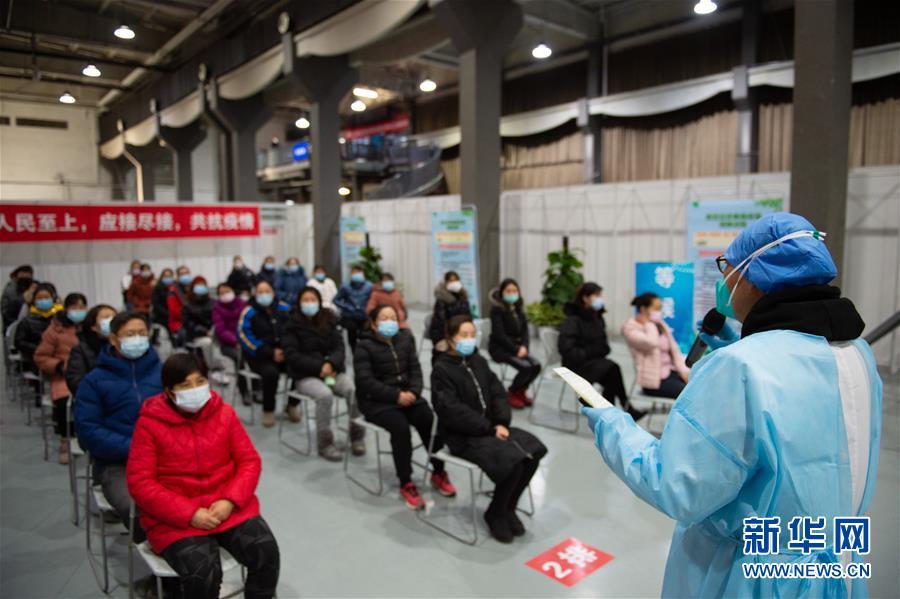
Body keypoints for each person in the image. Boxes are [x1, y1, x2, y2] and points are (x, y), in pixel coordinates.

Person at [581, 213, 882, 598]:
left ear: (752, 278)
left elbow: (677, 486)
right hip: (835, 566)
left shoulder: (739, 368)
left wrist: (611, 424)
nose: (723, 281)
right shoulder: (857, 353)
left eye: (727, 268)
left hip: (753, 579)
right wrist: (740, 347)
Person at [126, 353, 280, 599]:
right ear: (169, 392)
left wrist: (229, 500)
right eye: (185, 385)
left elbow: (249, 461)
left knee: (266, 553)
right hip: (175, 519)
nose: (195, 389)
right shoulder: (149, 425)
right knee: (203, 573)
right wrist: (189, 513)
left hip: (227, 508)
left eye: (200, 382)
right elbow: (140, 482)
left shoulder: (224, 414)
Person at [431, 315, 547, 543]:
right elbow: (452, 411)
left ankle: (507, 508)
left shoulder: (478, 361)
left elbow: (498, 393)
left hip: (492, 429)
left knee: (533, 452)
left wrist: (501, 421)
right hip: (463, 437)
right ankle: (495, 513)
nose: (469, 339)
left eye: (472, 334)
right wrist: (489, 428)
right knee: (513, 462)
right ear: (451, 339)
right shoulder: (441, 370)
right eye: (463, 335)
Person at [354, 305, 456, 507]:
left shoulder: (406, 339)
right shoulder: (363, 346)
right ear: (373, 324)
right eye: (384, 318)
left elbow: (416, 370)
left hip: (408, 396)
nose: (389, 322)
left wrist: (413, 392)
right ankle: (406, 481)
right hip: (376, 402)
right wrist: (396, 395)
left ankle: (438, 472)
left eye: (393, 318)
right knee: (400, 428)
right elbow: (366, 382)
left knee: (428, 419)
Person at [75, 312, 163, 542]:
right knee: (136, 509)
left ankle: (186, 557)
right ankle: (161, 557)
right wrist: (135, 447)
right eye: (130, 334)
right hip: (117, 463)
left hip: (165, 457)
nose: (137, 339)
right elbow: (88, 431)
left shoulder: (163, 373)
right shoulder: (94, 381)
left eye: (142, 333)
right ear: (113, 339)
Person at [282, 287, 365, 461]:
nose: (309, 303)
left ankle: (357, 436)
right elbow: (292, 356)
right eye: (305, 300)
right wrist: (319, 367)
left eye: (313, 300)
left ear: (319, 302)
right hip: (305, 375)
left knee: (352, 390)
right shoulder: (291, 325)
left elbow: (339, 347)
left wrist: (331, 364)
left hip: (332, 371)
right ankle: (325, 443)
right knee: (324, 395)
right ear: (299, 303)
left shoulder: (329, 320)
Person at [559, 282, 644, 420]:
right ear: (585, 298)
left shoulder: (597, 317)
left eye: (600, 295)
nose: (600, 299)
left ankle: (608, 411)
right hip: (576, 365)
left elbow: (603, 345)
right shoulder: (573, 320)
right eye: (596, 295)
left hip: (593, 361)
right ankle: (618, 409)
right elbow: (567, 349)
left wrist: (600, 350)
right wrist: (592, 351)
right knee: (612, 368)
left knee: (612, 373)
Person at [34, 292, 87, 464]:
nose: (78, 310)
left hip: (88, 374)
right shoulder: (55, 330)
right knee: (65, 401)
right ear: (66, 308)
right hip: (62, 375)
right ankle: (65, 439)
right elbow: (41, 356)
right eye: (74, 307)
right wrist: (58, 366)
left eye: (82, 307)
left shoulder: (89, 327)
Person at [238, 281, 291, 428]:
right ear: (255, 294)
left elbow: (292, 330)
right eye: (260, 292)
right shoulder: (249, 312)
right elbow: (244, 336)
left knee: (300, 366)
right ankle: (269, 409)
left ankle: (292, 404)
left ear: (273, 292)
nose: (264, 294)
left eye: (267, 291)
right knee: (271, 373)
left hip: (284, 352)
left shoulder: (283, 308)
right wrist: (269, 352)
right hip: (259, 356)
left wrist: (286, 349)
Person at [622, 292, 689, 399]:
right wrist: (648, 324)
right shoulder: (630, 327)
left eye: (660, 308)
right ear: (643, 309)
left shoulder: (660, 324)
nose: (659, 311)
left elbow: (674, 351)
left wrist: (683, 372)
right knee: (687, 394)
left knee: (697, 385)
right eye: (656, 308)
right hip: (654, 381)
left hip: (670, 372)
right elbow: (651, 343)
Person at [488, 279, 541, 409]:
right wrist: (516, 349)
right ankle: (512, 392)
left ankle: (520, 391)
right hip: (500, 349)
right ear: (502, 292)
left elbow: (525, 332)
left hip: (518, 348)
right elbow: (499, 335)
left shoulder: (518, 309)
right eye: (508, 291)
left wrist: (525, 347)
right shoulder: (497, 310)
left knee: (536, 366)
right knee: (525, 367)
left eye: (514, 291)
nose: (512, 293)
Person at [66, 304, 117, 397]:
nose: (112, 321)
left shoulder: (122, 347)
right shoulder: (81, 350)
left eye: (114, 317)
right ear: (93, 326)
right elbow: (75, 381)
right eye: (106, 317)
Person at [14, 282, 62, 375]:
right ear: (34, 300)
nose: (43, 300)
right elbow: (19, 342)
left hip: (61, 355)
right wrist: (39, 348)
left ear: (53, 298)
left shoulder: (61, 318)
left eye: (46, 298)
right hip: (38, 358)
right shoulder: (27, 321)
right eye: (39, 298)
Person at [212, 283, 247, 398]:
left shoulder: (243, 304)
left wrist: (244, 340)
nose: (225, 294)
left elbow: (249, 323)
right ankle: (244, 391)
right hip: (228, 344)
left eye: (227, 291)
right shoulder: (217, 308)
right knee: (239, 358)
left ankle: (257, 388)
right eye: (222, 293)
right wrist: (235, 341)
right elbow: (221, 330)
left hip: (245, 341)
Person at [429, 271, 472, 359]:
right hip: (443, 335)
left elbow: (468, 317)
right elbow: (440, 322)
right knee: (447, 353)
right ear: (446, 283)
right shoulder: (441, 300)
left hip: (461, 333)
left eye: (456, 280)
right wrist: (450, 338)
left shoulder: (463, 298)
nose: (454, 283)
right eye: (451, 281)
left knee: (471, 351)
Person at [333, 265, 372, 351]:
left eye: (359, 272)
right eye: (354, 273)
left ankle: (364, 353)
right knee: (352, 338)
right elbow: (336, 300)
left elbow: (373, 300)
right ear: (351, 274)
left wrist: (369, 308)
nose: (357, 275)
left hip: (364, 316)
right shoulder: (345, 286)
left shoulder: (369, 286)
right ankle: (354, 354)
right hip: (350, 317)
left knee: (366, 338)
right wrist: (346, 307)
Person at [181, 276, 214, 344]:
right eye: (198, 284)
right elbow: (188, 323)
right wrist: (205, 332)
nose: (201, 286)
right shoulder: (187, 305)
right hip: (195, 335)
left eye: (203, 284)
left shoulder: (213, 302)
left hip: (213, 332)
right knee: (208, 342)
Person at [2, 265, 33, 333]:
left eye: (28, 274)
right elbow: (6, 312)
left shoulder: (31, 286)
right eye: (23, 273)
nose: (25, 276)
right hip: (12, 325)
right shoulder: (10, 289)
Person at [167, 265, 192, 346]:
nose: (185, 276)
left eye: (186, 273)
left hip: (193, 321)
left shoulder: (193, 288)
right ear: (178, 277)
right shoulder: (173, 291)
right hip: (179, 322)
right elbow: (174, 310)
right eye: (182, 274)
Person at [151, 268, 174, 344]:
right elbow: (156, 304)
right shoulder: (158, 288)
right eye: (165, 276)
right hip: (161, 317)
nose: (168, 278)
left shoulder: (174, 288)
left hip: (173, 317)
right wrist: (167, 313)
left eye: (169, 276)